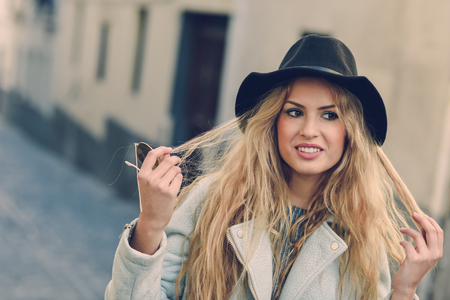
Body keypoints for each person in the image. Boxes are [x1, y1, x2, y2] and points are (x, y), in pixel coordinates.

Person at [105, 34, 443, 300]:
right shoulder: (210, 202)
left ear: (349, 133)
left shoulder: (365, 239)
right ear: (273, 122)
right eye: (294, 111)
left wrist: (405, 291)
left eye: (330, 115)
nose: (309, 129)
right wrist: (150, 225)